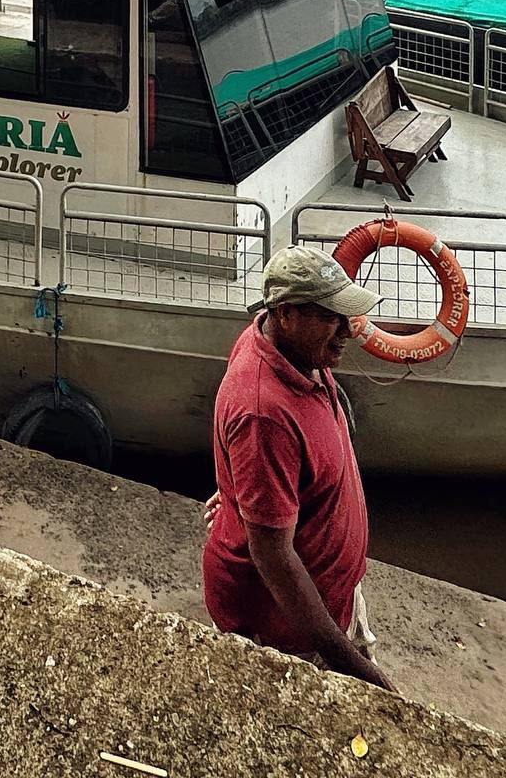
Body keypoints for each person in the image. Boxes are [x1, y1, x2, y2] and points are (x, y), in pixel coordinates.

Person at [200, 246, 392, 691]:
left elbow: (250, 451)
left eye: (346, 315)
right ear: (285, 314)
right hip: (286, 633)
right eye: (330, 317)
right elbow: (274, 556)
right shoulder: (264, 414)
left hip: (333, 596)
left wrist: (239, 491)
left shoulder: (289, 348)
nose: (347, 330)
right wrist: (354, 665)